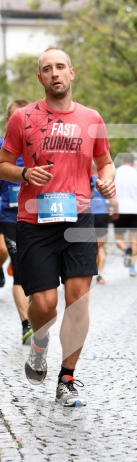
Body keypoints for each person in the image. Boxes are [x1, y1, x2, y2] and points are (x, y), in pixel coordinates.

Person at [0, 47, 116, 407]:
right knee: (46, 304)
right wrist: (22, 172)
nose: (55, 73)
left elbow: (105, 162)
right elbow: (2, 163)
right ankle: (39, 338)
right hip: (35, 220)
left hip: (79, 218)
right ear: (40, 78)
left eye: (60, 67)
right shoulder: (22, 118)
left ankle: (67, 377)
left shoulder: (91, 118)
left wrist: (107, 181)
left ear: (72, 72)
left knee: (78, 303)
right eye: (47, 69)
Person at [0, 99, 33, 344]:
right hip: (9, 216)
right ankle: (26, 324)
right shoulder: (2, 148)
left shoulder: (39, 146)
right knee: (20, 270)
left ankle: (37, 314)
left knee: (36, 271)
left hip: (38, 216)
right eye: (16, 119)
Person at [113, 153, 137, 277]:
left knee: (119, 239)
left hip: (119, 209)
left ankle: (125, 249)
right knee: (134, 239)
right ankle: (132, 268)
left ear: (122, 161)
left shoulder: (115, 172)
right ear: (133, 162)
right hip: (134, 209)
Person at [90, 163, 110, 284]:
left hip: (87, 215)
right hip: (102, 214)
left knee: (86, 245)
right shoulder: (102, 182)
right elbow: (111, 199)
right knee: (101, 246)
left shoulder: (84, 180)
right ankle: (100, 273)